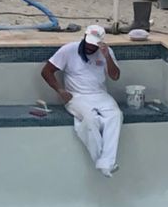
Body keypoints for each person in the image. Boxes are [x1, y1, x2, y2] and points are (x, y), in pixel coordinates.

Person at [42, 24, 122, 177]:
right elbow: (47, 71)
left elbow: (115, 76)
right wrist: (60, 90)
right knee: (90, 120)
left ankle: (106, 162)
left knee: (115, 116)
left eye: (94, 45)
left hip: (100, 94)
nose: (90, 48)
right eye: (88, 43)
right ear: (84, 37)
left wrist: (107, 57)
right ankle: (104, 162)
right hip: (76, 95)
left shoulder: (106, 52)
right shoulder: (68, 50)